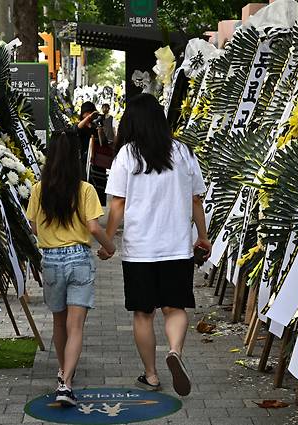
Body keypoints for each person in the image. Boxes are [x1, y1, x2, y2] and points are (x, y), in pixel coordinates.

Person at [99, 93, 212, 397]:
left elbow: (118, 205)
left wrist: (108, 241)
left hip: (140, 250)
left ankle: (150, 375)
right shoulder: (184, 152)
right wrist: (203, 236)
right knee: (174, 307)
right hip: (177, 246)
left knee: (143, 313)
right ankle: (174, 351)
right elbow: (196, 199)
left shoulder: (127, 155)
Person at [26, 131, 116, 406]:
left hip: (51, 259)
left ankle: (61, 372)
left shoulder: (39, 189)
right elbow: (92, 227)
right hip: (78, 259)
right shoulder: (85, 189)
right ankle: (66, 382)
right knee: (75, 326)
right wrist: (109, 247)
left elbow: (33, 226)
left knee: (58, 323)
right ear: (76, 158)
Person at [76, 101, 99, 179]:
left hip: (94, 157)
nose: (89, 114)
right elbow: (77, 128)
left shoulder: (94, 126)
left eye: (91, 112)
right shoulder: (80, 125)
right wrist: (88, 117)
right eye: (87, 112)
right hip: (83, 156)